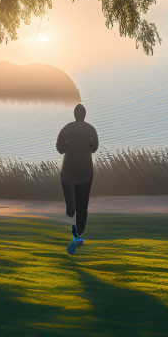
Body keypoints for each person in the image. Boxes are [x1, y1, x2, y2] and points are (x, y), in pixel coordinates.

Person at [57, 103, 98, 255]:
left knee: (72, 206)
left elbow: (60, 149)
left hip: (68, 172)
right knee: (83, 206)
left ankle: (69, 209)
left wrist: (67, 144)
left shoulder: (66, 128)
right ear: (84, 115)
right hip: (85, 172)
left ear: (74, 115)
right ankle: (79, 234)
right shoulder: (91, 129)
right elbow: (94, 148)